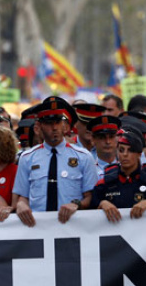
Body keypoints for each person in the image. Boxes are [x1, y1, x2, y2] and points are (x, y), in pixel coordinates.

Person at [13, 96, 97, 226]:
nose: (54, 127)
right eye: (49, 123)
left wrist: (76, 204)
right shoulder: (27, 157)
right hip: (37, 226)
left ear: (64, 125)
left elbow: (91, 197)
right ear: (39, 126)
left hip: (71, 225)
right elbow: (22, 196)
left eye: (58, 122)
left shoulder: (83, 157)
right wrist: (21, 205)